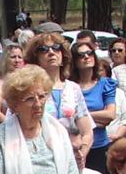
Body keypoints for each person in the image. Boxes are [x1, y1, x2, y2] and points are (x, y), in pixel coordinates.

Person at [24, 32, 92, 162]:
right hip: (39, 160)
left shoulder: (73, 88)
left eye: (56, 48)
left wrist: (80, 155)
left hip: (72, 158)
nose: (51, 52)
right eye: (43, 49)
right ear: (35, 58)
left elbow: (87, 132)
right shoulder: (27, 89)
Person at [71, 40, 120, 172]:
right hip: (74, 147)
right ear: (74, 61)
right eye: (81, 55)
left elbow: (110, 115)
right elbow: (65, 120)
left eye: (89, 53)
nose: (86, 57)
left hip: (100, 146)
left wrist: (80, 117)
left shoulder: (105, 84)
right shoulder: (69, 87)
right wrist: (96, 120)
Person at [0, 41, 26, 125]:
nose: (17, 60)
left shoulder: (26, 83)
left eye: (20, 57)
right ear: (5, 60)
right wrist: (13, 127)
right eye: (13, 57)